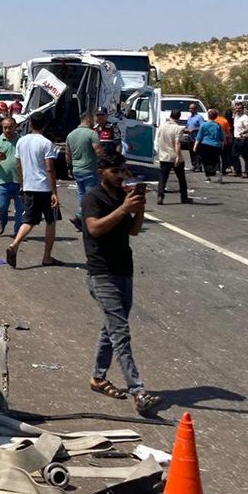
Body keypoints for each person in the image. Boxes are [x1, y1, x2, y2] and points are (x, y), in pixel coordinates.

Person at [82, 153, 160, 416]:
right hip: (101, 273)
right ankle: (138, 390)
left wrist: (139, 208)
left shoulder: (121, 197)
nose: (121, 175)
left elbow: (134, 230)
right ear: (102, 171)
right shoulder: (94, 197)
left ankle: (98, 377)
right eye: (116, 171)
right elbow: (94, 229)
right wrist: (124, 209)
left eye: (123, 171)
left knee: (111, 327)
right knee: (120, 331)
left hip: (124, 270)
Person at [5, 114, 60, 268]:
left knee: (29, 220)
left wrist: (22, 184)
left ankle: (14, 244)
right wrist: (54, 192)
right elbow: (50, 169)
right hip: (45, 188)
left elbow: (18, 165)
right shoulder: (46, 143)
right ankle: (47, 257)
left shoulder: (21, 141)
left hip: (29, 186)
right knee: (51, 221)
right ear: (45, 125)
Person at [0, 115, 23, 236]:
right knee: (2, 207)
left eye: (10, 127)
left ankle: (18, 231)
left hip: (20, 181)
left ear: (15, 127)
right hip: (2, 181)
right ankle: (2, 221)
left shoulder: (21, 140)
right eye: (5, 128)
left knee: (20, 209)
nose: (7, 130)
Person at [65, 113, 101, 231]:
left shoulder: (71, 135)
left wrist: (69, 167)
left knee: (82, 194)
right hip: (90, 169)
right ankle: (82, 217)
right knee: (91, 196)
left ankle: (81, 218)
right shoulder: (92, 134)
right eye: (93, 120)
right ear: (89, 120)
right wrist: (105, 163)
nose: (95, 122)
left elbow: (67, 154)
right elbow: (98, 151)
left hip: (77, 169)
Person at [155, 109, 190, 205]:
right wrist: (178, 156)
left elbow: (158, 139)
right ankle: (184, 197)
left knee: (163, 177)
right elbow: (177, 143)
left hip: (164, 155)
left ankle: (160, 196)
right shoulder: (177, 128)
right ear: (179, 117)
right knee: (181, 178)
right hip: (174, 156)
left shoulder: (162, 126)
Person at [195, 109, 225, 183]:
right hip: (216, 145)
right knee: (216, 160)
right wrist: (222, 144)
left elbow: (199, 136)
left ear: (208, 116)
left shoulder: (204, 125)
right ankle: (218, 171)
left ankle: (208, 177)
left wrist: (195, 146)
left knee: (206, 161)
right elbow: (222, 137)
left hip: (205, 144)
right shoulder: (218, 125)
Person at [231, 101, 248, 178]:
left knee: (245, 156)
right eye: (236, 108)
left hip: (243, 139)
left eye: (239, 108)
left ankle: (247, 172)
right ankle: (238, 171)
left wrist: (243, 132)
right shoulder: (236, 116)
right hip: (236, 139)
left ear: (242, 109)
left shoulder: (245, 117)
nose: (237, 109)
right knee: (234, 155)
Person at [186, 103, 205, 172]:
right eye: (190, 108)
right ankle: (194, 165)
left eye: (192, 108)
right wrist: (186, 129)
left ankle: (199, 166)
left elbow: (202, 127)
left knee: (197, 152)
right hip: (190, 137)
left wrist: (194, 129)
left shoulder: (199, 117)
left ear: (196, 109)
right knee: (191, 152)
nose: (190, 110)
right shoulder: (189, 117)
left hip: (197, 138)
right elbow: (188, 126)